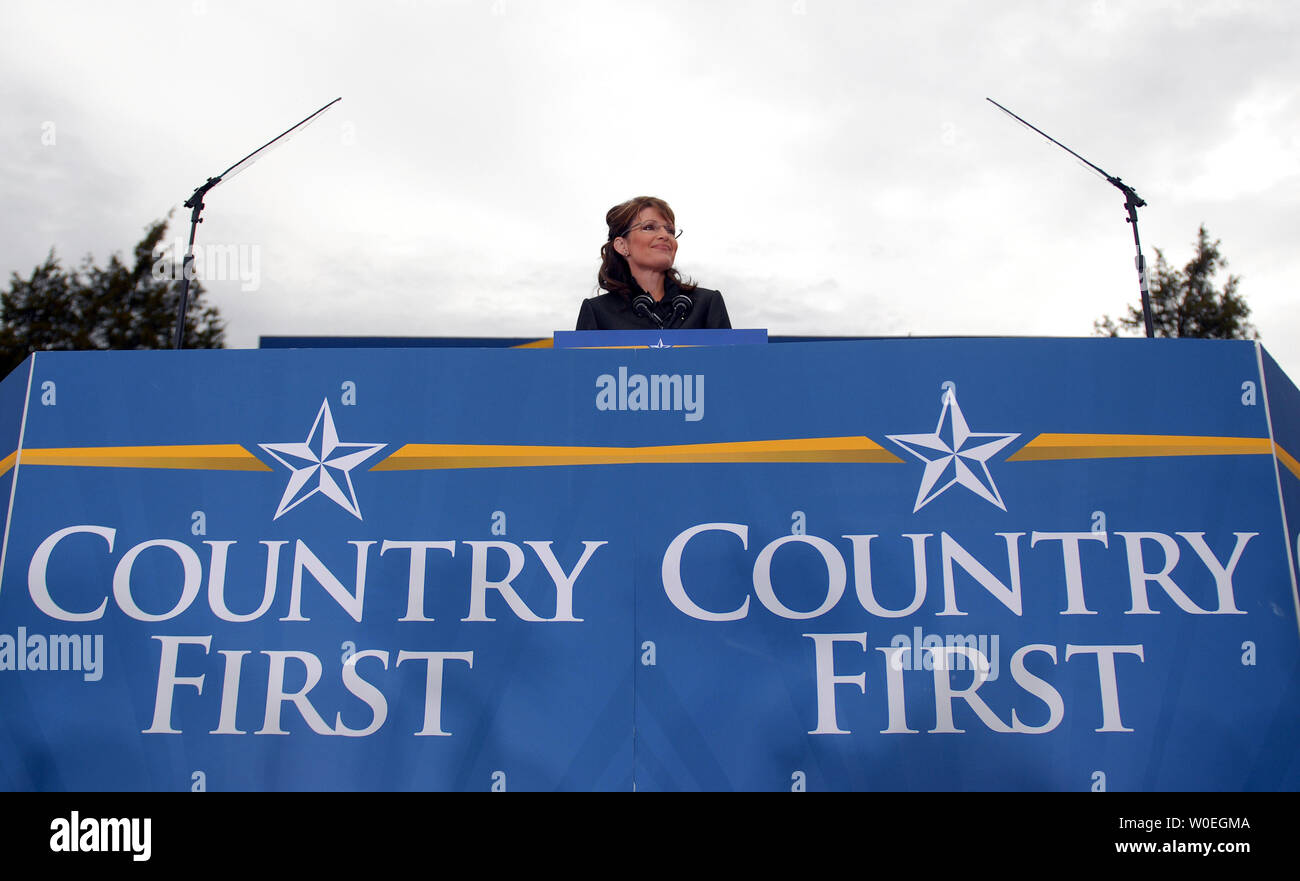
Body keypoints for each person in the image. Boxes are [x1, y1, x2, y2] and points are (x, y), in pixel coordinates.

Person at [575, 196, 732, 330]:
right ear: (622, 245)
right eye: (649, 227)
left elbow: (729, 363)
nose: (665, 235)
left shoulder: (707, 304)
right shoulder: (598, 312)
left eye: (670, 230)